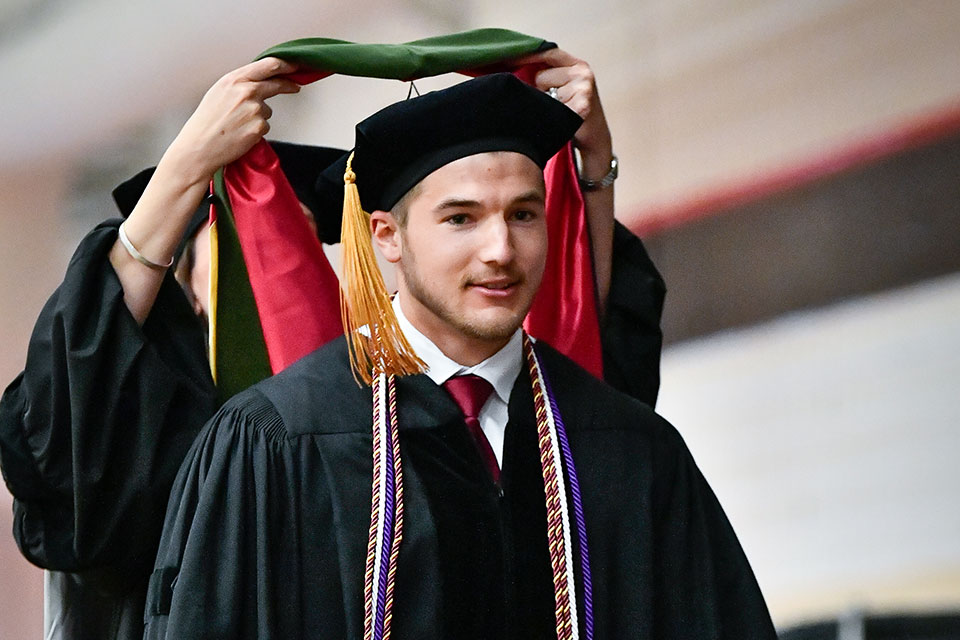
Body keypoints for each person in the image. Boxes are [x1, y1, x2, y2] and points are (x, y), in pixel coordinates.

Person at [0, 52, 665, 639]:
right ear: (185, 277)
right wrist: (186, 167)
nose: (276, 264)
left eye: (298, 242)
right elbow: (56, 441)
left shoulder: (379, 411)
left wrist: (593, 168)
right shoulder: (152, 429)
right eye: (243, 242)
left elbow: (587, 362)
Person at [144, 72, 775, 638]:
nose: (501, 249)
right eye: (461, 219)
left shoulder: (631, 450)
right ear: (387, 237)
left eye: (523, 214)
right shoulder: (278, 441)